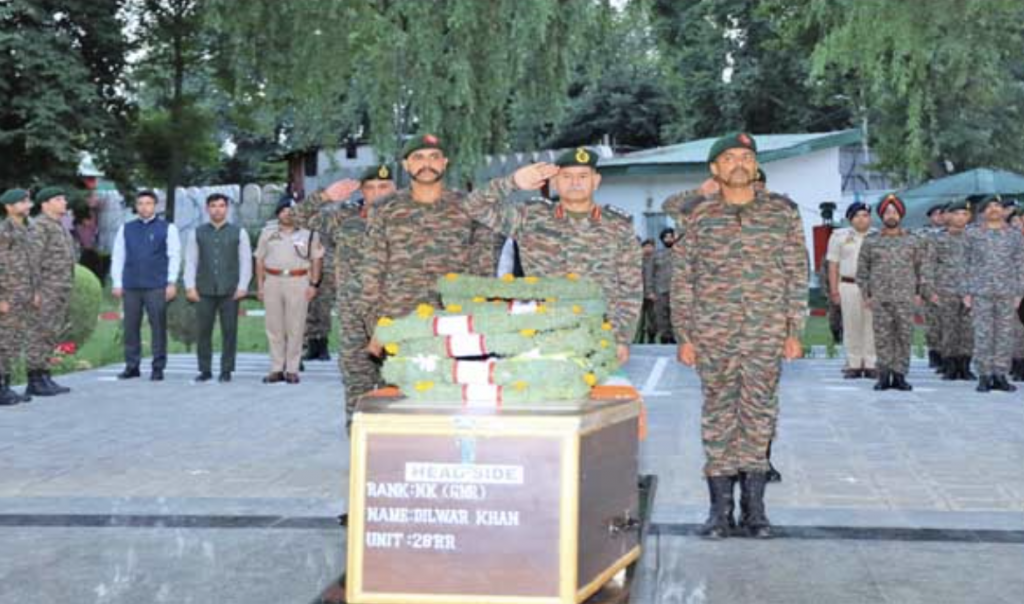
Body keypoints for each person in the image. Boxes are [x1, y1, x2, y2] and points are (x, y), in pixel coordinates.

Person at [664, 133, 808, 539]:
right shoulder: (699, 215)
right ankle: (719, 512)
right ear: (715, 170)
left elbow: (796, 273)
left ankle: (756, 511)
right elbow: (683, 278)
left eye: (746, 156)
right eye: (729, 158)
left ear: (756, 165)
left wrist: (793, 330)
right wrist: (685, 336)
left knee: (759, 416)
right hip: (713, 333)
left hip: (765, 331)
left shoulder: (782, 213)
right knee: (717, 418)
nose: (739, 164)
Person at [461, 147, 642, 362]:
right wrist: (513, 183)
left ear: (596, 181)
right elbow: (473, 206)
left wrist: (622, 339)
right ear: (554, 181)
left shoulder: (618, 225)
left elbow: (631, 287)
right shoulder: (530, 216)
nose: (575, 183)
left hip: (597, 333)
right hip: (541, 332)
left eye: (583, 176)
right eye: (566, 176)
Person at [362, 134, 500, 355]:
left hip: (455, 317)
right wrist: (376, 324)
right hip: (400, 318)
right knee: (402, 387)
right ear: (406, 164)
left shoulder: (470, 206)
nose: (427, 164)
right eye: (418, 157)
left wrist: (480, 316)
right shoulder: (384, 209)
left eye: (434, 157)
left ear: (445, 162)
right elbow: (372, 270)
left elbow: (483, 269)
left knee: (456, 385)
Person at [293, 164, 397, 425]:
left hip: (397, 315)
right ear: (361, 191)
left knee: (398, 381)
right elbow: (293, 218)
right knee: (356, 382)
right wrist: (326, 197)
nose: (378, 193)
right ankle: (358, 445)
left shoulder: (410, 219)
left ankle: (394, 446)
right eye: (370, 187)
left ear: (395, 189)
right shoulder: (344, 218)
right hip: (354, 318)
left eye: (383, 187)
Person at [856, 194, 926, 392]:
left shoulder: (913, 240)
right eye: (887, 212)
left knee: (904, 337)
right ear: (881, 216)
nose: (891, 215)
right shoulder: (871, 241)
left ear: (901, 215)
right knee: (883, 337)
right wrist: (866, 295)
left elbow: (922, 268)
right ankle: (884, 375)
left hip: (905, 297)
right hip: (880, 297)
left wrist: (919, 293)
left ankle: (900, 375)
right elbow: (862, 270)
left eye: (894, 211)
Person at [111, 190, 181, 381]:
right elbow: (118, 257)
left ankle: (158, 367)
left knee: (158, 327)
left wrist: (171, 282)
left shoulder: (168, 228)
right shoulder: (126, 229)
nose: (144, 207)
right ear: (136, 206)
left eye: (148, 203)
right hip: (131, 285)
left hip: (156, 285)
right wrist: (117, 282)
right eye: (141, 203)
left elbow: (174, 256)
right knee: (130, 327)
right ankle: (132, 366)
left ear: (155, 206)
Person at [183, 193, 252, 383]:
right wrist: (190, 286)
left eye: (221, 206)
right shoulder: (196, 233)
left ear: (227, 209)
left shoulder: (239, 232)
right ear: (207, 209)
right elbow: (190, 262)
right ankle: (204, 370)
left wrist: (242, 286)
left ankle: (226, 370)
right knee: (203, 331)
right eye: (213, 206)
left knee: (229, 331)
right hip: (204, 290)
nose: (217, 209)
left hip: (230, 290)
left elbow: (245, 261)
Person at [254, 196, 324, 384]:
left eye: (292, 210)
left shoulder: (309, 234)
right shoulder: (268, 233)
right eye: (284, 210)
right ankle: (276, 368)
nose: (288, 214)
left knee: (296, 326)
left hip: (298, 280)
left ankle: (292, 369)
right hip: (273, 280)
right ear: (278, 213)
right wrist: (260, 286)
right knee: (274, 327)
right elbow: (259, 260)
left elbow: (316, 259)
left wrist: (314, 284)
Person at [962, 195, 1024, 392]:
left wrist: (1019, 291)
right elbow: (964, 263)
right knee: (983, 334)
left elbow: (1020, 263)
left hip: (1007, 291)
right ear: (983, 212)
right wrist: (966, 291)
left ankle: (1000, 374)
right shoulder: (973, 234)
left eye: (997, 205)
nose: (993, 209)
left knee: (1005, 335)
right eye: (988, 207)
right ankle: (984, 374)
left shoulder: (1014, 235)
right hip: (981, 292)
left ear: (1002, 210)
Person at [26, 187, 76, 396]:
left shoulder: (58, 226)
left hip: (59, 289)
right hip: (46, 289)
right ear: (45, 204)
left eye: (64, 198)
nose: (64, 202)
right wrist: (34, 291)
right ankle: (34, 379)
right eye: (58, 199)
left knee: (51, 332)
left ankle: (45, 374)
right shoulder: (40, 227)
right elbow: (32, 261)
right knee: (40, 332)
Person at [924, 200, 975, 381]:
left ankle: (965, 366)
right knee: (948, 329)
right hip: (945, 290)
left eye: (964, 214)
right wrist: (930, 291)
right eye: (957, 213)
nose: (960, 217)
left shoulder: (974, 238)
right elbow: (928, 265)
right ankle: (950, 366)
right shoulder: (937, 239)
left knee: (967, 331)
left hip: (970, 291)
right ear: (949, 216)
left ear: (969, 217)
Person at [826, 202, 877, 379]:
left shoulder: (877, 236)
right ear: (850, 218)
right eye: (857, 215)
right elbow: (833, 265)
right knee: (851, 324)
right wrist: (834, 291)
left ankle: (871, 363)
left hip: (872, 287)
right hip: (848, 284)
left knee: (871, 325)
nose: (861, 219)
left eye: (865, 215)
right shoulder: (839, 236)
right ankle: (854, 363)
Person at [0, 188, 39, 406]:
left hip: (24, 294)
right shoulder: (3, 231)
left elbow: (32, 265)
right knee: (3, 342)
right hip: (8, 294)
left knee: (14, 343)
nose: (28, 205)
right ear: (9, 207)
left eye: (28, 201)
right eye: (22, 202)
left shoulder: (28, 229)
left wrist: (35, 292)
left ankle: (6, 385)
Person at [921, 204, 947, 370]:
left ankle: (948, 354)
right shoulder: (922, 235)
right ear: (930, 217)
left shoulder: (951, 234)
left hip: (949, 284)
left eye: (941, 214)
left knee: (949, 322)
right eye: (935, 214)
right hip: (929, 283)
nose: (939, 217)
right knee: (932, 322)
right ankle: (934, 353)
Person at [651, 228, 677, 344]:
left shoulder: (681, 252)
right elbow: (650, 273)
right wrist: (650, 291)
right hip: (660, 289)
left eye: (671, 236)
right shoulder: (656, 254)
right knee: (661, 315)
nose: (669, 239)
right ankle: (665, 336)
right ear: (662, 239)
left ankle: (676, 336)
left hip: (677, 290)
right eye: (666, 237)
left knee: (676, 315)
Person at [640, 239, 656, 343]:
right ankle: (638, 339)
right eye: (646, 246)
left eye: (651, 246)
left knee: (652, 318)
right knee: (638, 319)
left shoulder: (656, 260)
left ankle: (652, 339)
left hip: (651, 294)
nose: (648, 248)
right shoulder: (637, 260)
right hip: (639, 294)